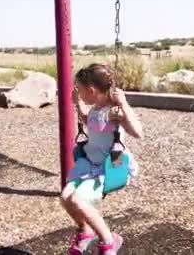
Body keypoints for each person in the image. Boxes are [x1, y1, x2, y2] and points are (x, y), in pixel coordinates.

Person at [60, 63, 143, 255]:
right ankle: (86, 230)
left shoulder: (115, 111)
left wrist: (123, 104)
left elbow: (137, 133)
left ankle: (109, 241)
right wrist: (77, 103)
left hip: (111, 167)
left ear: (91, 90)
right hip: (90, 164)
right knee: (66, 198)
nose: (79, 93)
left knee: (78, 200)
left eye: (80, 91)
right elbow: (90, 121)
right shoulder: (96, 108)